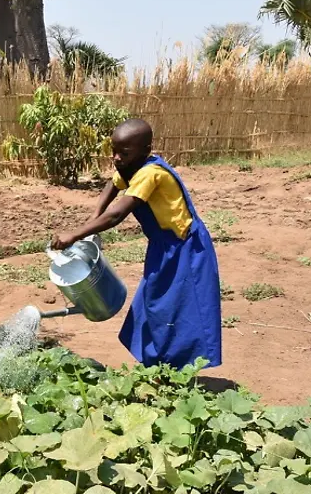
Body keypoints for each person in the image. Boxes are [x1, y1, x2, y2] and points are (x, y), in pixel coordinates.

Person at [51, 118, 222, 370]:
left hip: (184, 247)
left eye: (124, 153)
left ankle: (180, 369)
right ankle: (157, 365)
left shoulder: (150, 173)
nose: (117, 158)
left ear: (145, 149)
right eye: (114, 151)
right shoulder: (132, 166)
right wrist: (93, 216)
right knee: (152, 300)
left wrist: (75, 234)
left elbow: (117, 214)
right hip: (162, 246)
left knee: (178, 307)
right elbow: (113, 183)